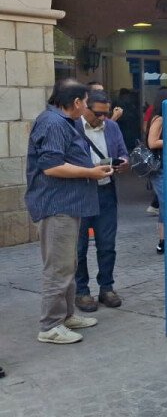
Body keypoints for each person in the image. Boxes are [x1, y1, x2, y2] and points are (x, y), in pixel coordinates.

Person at [26, 79, 113, 344]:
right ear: (76, 103)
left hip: (68, 204)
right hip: (57, 206)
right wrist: (90, 172)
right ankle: (50, 325)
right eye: (86, 103)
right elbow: (51, 166)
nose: (86, 108)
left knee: (68, 264)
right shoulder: (52, 123)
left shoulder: (61, 122)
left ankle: (65, 316)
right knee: (59, 267)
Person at [75, 91, 130, 312]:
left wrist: (123, 162)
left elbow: (123, 152)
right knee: (78, 247)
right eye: (98, 114)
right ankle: (82, 291)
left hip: (106, 192)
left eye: (106, 114)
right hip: (80, 193)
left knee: (107, 244)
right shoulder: (72, 127)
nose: (103, 118)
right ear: (85, 108)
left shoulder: (112, 127)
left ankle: (106, 287)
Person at [146, 87, 167, 254]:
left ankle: (164, 241)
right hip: (159, 167)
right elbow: (152, 142)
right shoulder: (159, 119)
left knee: (166, 203)